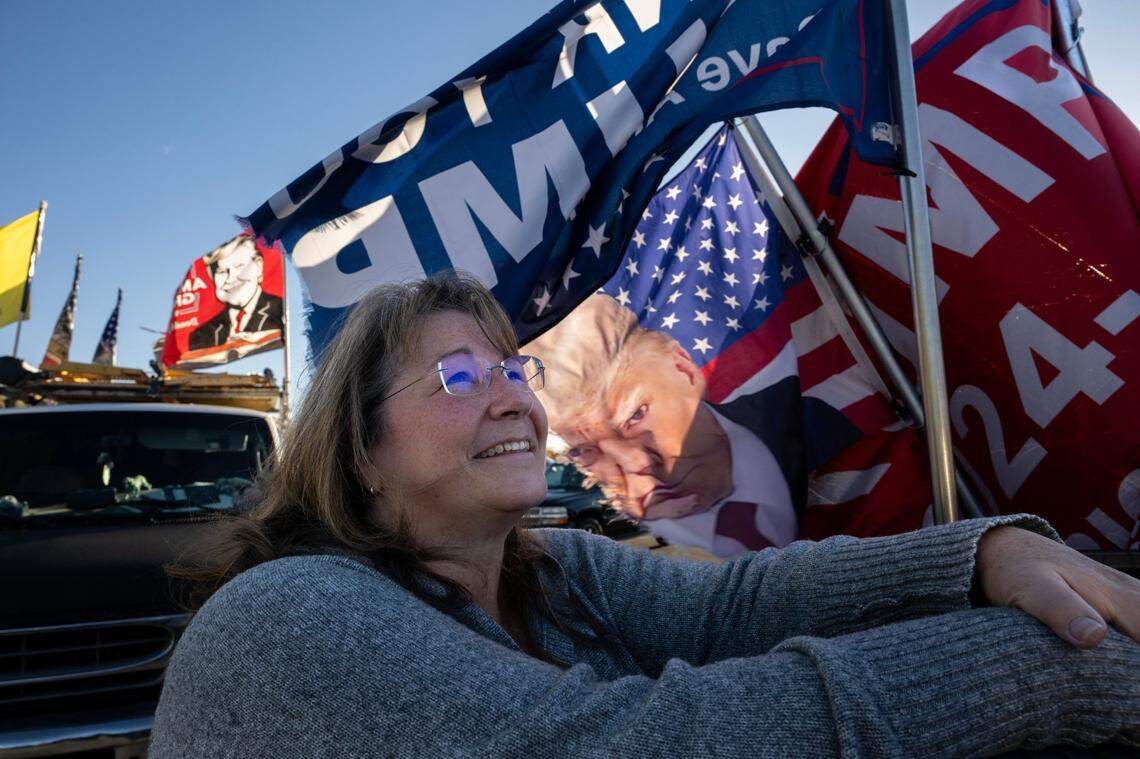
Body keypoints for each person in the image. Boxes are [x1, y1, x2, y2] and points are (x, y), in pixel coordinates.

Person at [150, 273, 1140, 758]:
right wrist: (1054, 667)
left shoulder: (548, 564)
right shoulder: (285, 617)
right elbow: (653, 745)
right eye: (460, 376)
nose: (514, 399)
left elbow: (741, 606)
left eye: (513, 370)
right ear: (361, 452)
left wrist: (986, 554)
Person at [525, 292, 797, 555]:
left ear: (684, 370)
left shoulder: (806, 407)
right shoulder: (638, 556)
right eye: (582, 450)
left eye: (635, 415)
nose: (633, 468)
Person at [188, 235, 283, 351]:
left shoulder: (281, 312)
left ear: (258, 265)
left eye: (239, 266)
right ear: (212, 277)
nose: (230, 279)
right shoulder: (202, 334)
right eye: (222, 271)